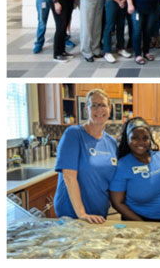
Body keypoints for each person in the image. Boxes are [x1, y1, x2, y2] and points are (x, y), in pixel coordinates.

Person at [54, 89, 118, 224]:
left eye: (103, 105)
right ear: (86, 109)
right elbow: (69, 176)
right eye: (94, 105)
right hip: (73, 215)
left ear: (110, 108)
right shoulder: (73, 134)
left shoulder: (111, 143)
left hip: (99, 215)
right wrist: (82, 213)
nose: (99, 109)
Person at [110, 117, 160, 222]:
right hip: (138, 221)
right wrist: (141, 223)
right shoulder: (123, 165)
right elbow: (117, 202)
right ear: (128, 139)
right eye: (135, 138)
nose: (141, 142)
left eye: (145, 138)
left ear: (150, 139)